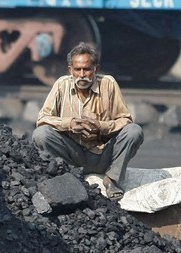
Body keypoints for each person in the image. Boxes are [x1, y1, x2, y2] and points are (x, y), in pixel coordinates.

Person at [31, 42, 143, 201]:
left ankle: (112, 179)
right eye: (77, 70)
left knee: (134, 131)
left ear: (95, 69)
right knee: (41, 134)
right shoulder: (61, 85)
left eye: (87, 69)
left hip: (104, 155)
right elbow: (42, 119)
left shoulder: (108, 84)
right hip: (72, 155)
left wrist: (101, 127)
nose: (82, 74)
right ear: (70, 70)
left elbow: (125, 119)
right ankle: (68, 176)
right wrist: (69, 124)